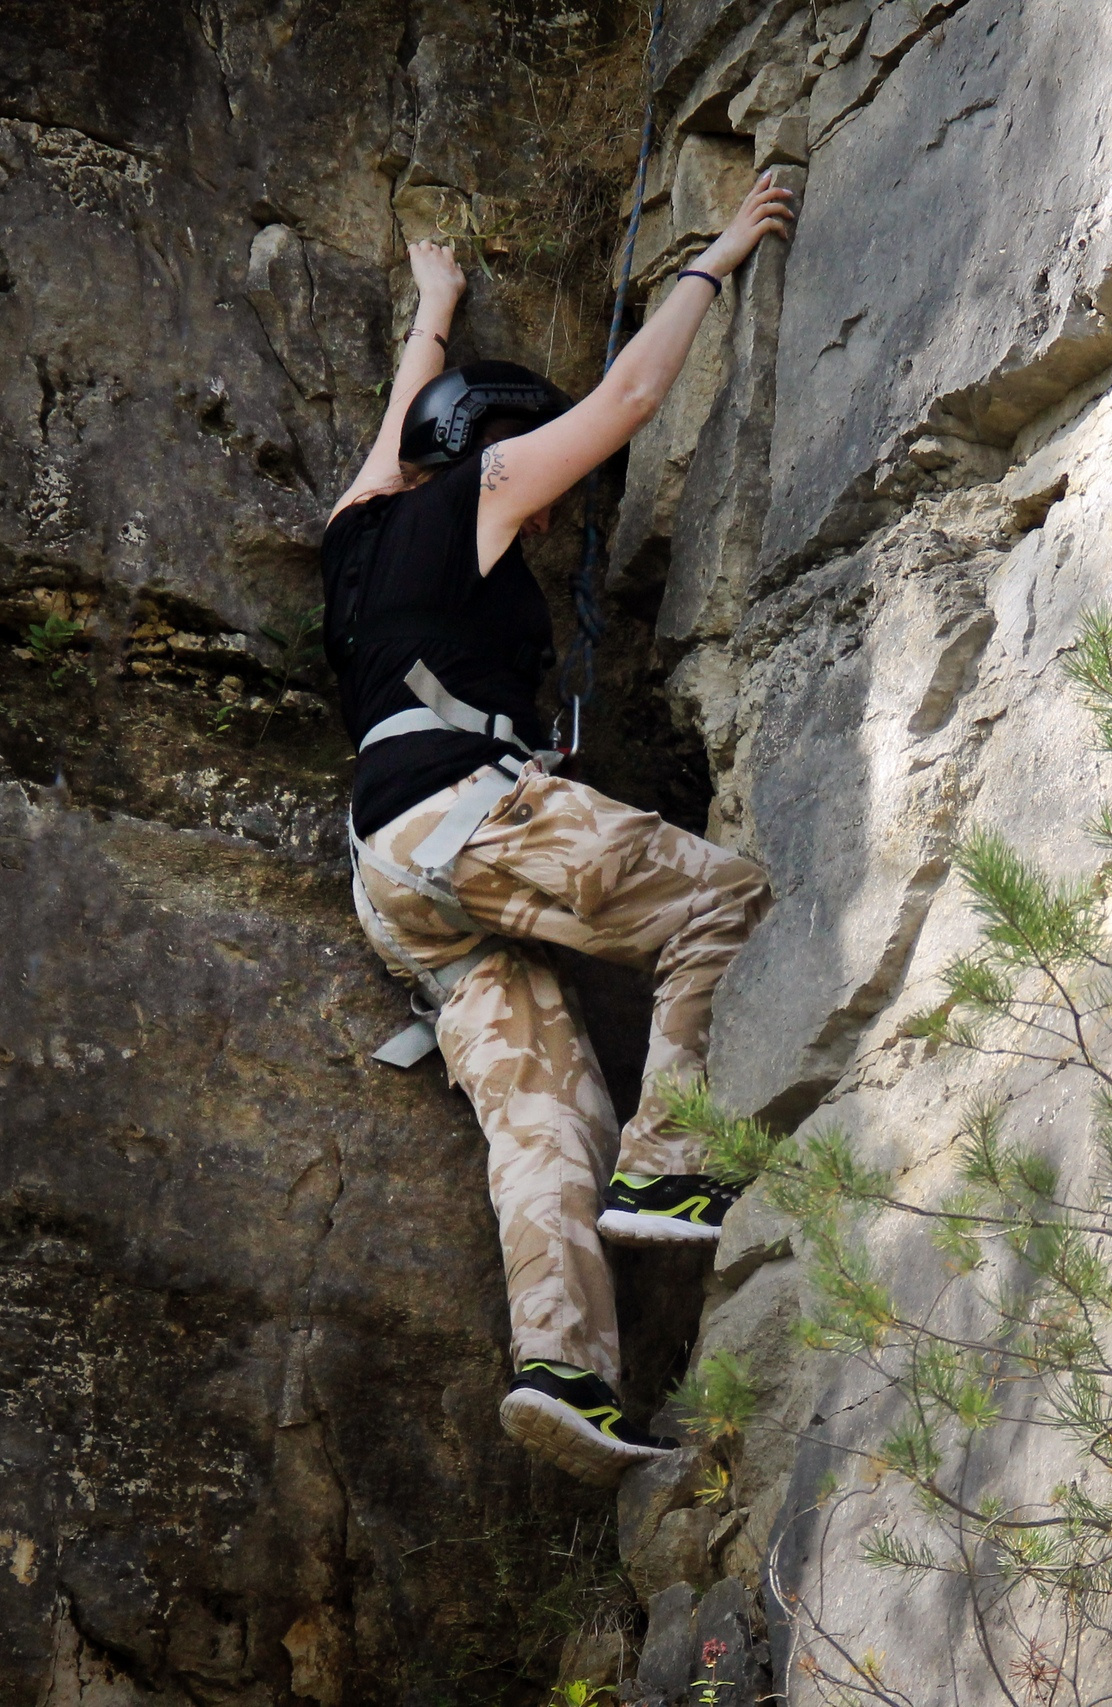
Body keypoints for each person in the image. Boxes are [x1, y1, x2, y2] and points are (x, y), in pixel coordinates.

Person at [321, 174, 796, 1484]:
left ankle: (562, 1372)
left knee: (546, 1118)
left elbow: (399, 414)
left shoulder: (354, 530)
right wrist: (715, 264)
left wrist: (436, 304)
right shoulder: (476, 490)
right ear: (491, 454)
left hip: (390, 878)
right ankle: (670, 1165)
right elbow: (627, 405)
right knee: (719, 898)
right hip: (467, 815)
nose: (543, 512)